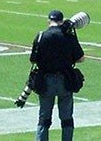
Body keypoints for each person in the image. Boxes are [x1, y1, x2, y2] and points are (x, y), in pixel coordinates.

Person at [31, 10, 85, 141]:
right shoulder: (68, 36)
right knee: (66, 119)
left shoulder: (41, 36)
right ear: (62, 20)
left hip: (45, 81)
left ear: (48, 20)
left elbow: (33, 60)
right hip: (65, 80)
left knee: (44, 119)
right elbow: (81, 58)